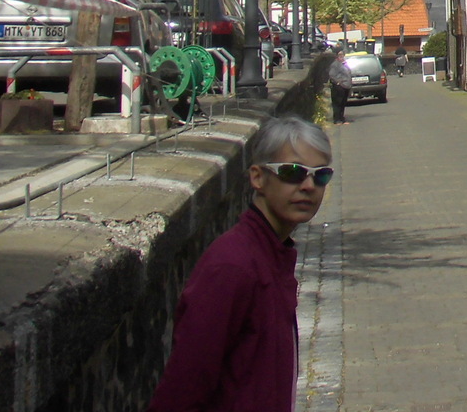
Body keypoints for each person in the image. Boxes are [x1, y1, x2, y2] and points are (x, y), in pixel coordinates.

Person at [147, 116, 334, 412]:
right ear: (257, 177)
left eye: (320, 175)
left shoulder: (272, 256)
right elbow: (183, 388)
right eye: (292, 172)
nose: (308, 186)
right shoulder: (233, 267)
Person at [329, 47, 352, 124]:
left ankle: (342, 118)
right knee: (337, 103)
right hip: (339, 87)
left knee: (343, 103)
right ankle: (337, 119)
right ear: (336, 56)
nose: (341, 56)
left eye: (342, 54)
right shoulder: (335, 64)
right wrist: (338, 82)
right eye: (340, 55)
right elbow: (332, 75)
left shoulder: (344, 63)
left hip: (346, 86)